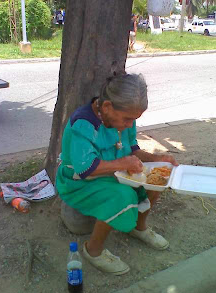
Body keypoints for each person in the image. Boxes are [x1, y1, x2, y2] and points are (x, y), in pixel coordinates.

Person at [56, 73, 178, 276]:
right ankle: (93, 250)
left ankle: (138, 228)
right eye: (128, 119)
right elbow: (86, 169)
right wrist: (123, 163)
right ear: (107, 107)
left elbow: (132, 150)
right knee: (122, 195)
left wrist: (158, 159)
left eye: (134, 120)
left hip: (112, 173)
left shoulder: (123, 117)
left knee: (158, 179)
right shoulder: (84, 123)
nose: (130, 125)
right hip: (78, 182)